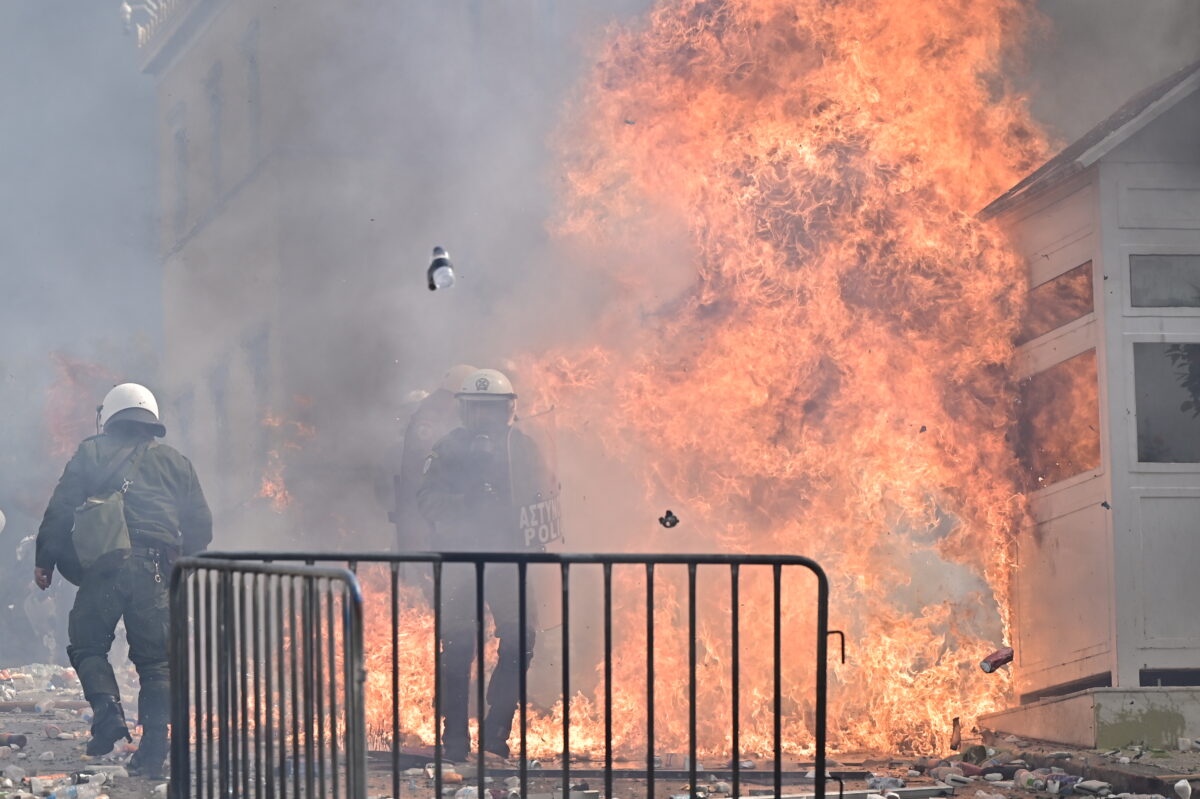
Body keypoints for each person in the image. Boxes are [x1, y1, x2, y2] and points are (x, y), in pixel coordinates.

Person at [34, 382, 211, 779]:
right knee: (157, 664)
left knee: (87, 645)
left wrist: (44, 560)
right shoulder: (176, 463)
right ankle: (152, 751)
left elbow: (61, 509)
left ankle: (108, 712)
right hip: (155, 572)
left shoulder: (91, 452)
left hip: (104, 569)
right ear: (151, 420)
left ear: (110, 417)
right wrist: (182, 563)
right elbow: (200, 524)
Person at [417, 367, 544, 762]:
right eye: (478, 410)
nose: (485, 418)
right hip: (460, 561)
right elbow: (426, 498)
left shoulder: (522, 448)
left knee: (520, 642)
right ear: (464, 412)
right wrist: (466, 503)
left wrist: (522, 520)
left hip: (509, 562)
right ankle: (454, 737)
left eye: (493, 410)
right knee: (456, 648)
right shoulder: (447, 448)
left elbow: (544, 494)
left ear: (507, 411)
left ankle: (497, 734)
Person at [392, 364, 477, 553]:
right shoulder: (432, 415)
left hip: (432, 505)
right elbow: (424, 461)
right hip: (423, 510)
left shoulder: (443, 411)